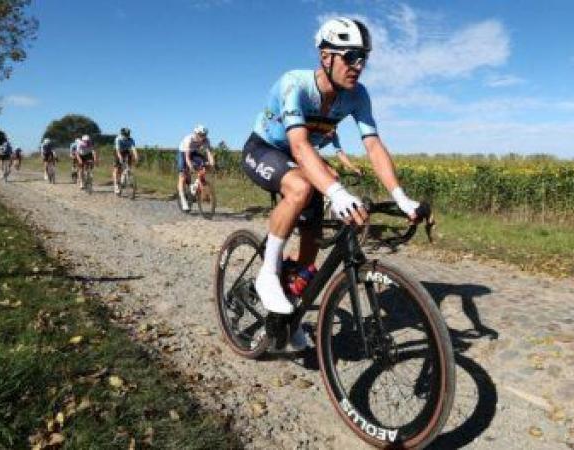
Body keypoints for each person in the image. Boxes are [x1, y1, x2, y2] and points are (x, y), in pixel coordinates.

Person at [241, 17, 421, 349]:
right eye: (351, 56)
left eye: (364, 57)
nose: (359, 65)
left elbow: (373, 146)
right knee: (302, 187)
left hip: (300, 159)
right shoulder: (295, 84)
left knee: (309, 256)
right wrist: (335, 193)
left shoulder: (357, 95)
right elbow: (298, 146)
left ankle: (288, 316)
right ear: (327, 56)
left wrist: (400, 195)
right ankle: (268, 275)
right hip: (265, 150)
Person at [177, 125, 216, 211]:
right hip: (183, 152)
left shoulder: (206, 140)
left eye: (205, 135)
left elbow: (209, 153)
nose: (203, 137)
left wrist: (212, 163)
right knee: (182, 175)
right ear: (196, 134)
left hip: (193, 152)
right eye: (201, 134)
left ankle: (196, 185)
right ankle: (183, 200)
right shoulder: (189, 139)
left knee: (204, 164)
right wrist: (190, 166)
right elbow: (187, 157)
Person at [112, 128, 139, 194]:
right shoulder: (118, 139)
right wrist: (120, 158)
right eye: (125, 135)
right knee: (117, 169)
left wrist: (136, 157)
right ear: (122, 134)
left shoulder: (131, 139)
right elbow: (118, 151)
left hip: (126, 152)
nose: (127, 136)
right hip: (118, 152)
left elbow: (133, 149)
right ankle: (116, 185)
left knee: (128, 167)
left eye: (128, 135)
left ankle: (126, 176)